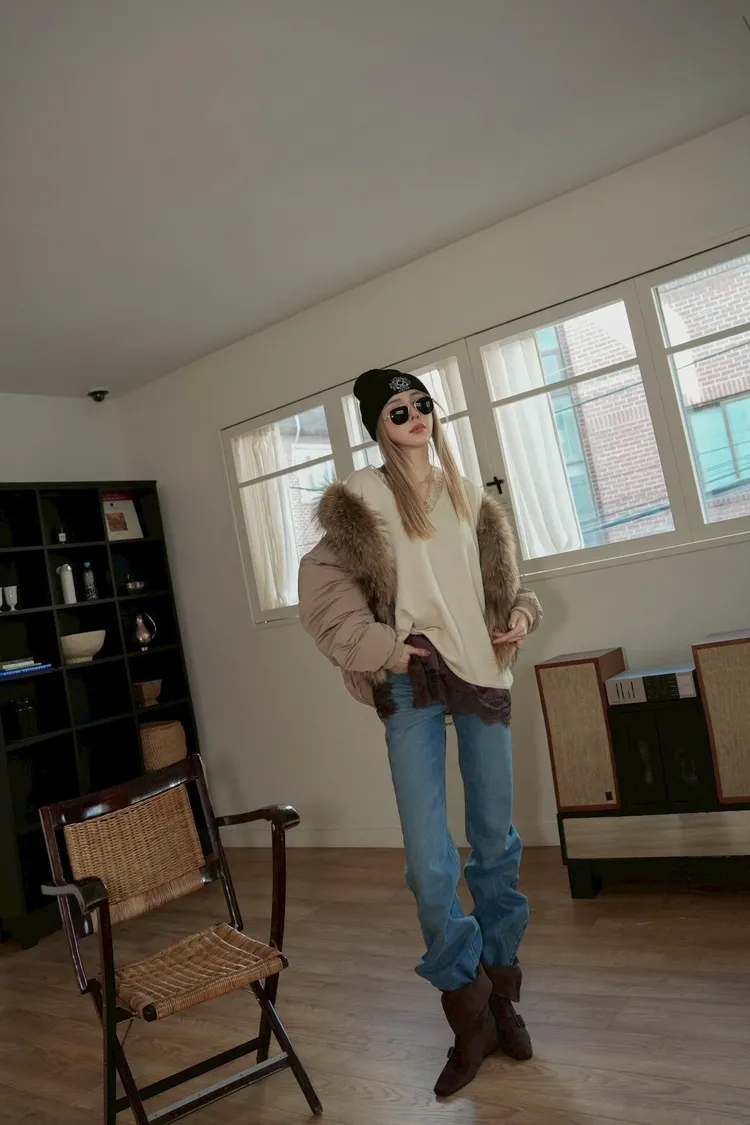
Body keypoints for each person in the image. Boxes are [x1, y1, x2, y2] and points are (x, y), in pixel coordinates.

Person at [298, 368, 542, 1097]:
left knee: (495, 845)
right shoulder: (361, 499)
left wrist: (521, 615)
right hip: (413, 678)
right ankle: (469, 1016)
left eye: (422, 403)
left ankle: (502, 998)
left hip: (482, 674)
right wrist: (390, 650)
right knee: (430, 865)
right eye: (398, 409)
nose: (414, 416)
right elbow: (321, 594)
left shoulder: (470, 497)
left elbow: (507, 586)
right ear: (378, 423)